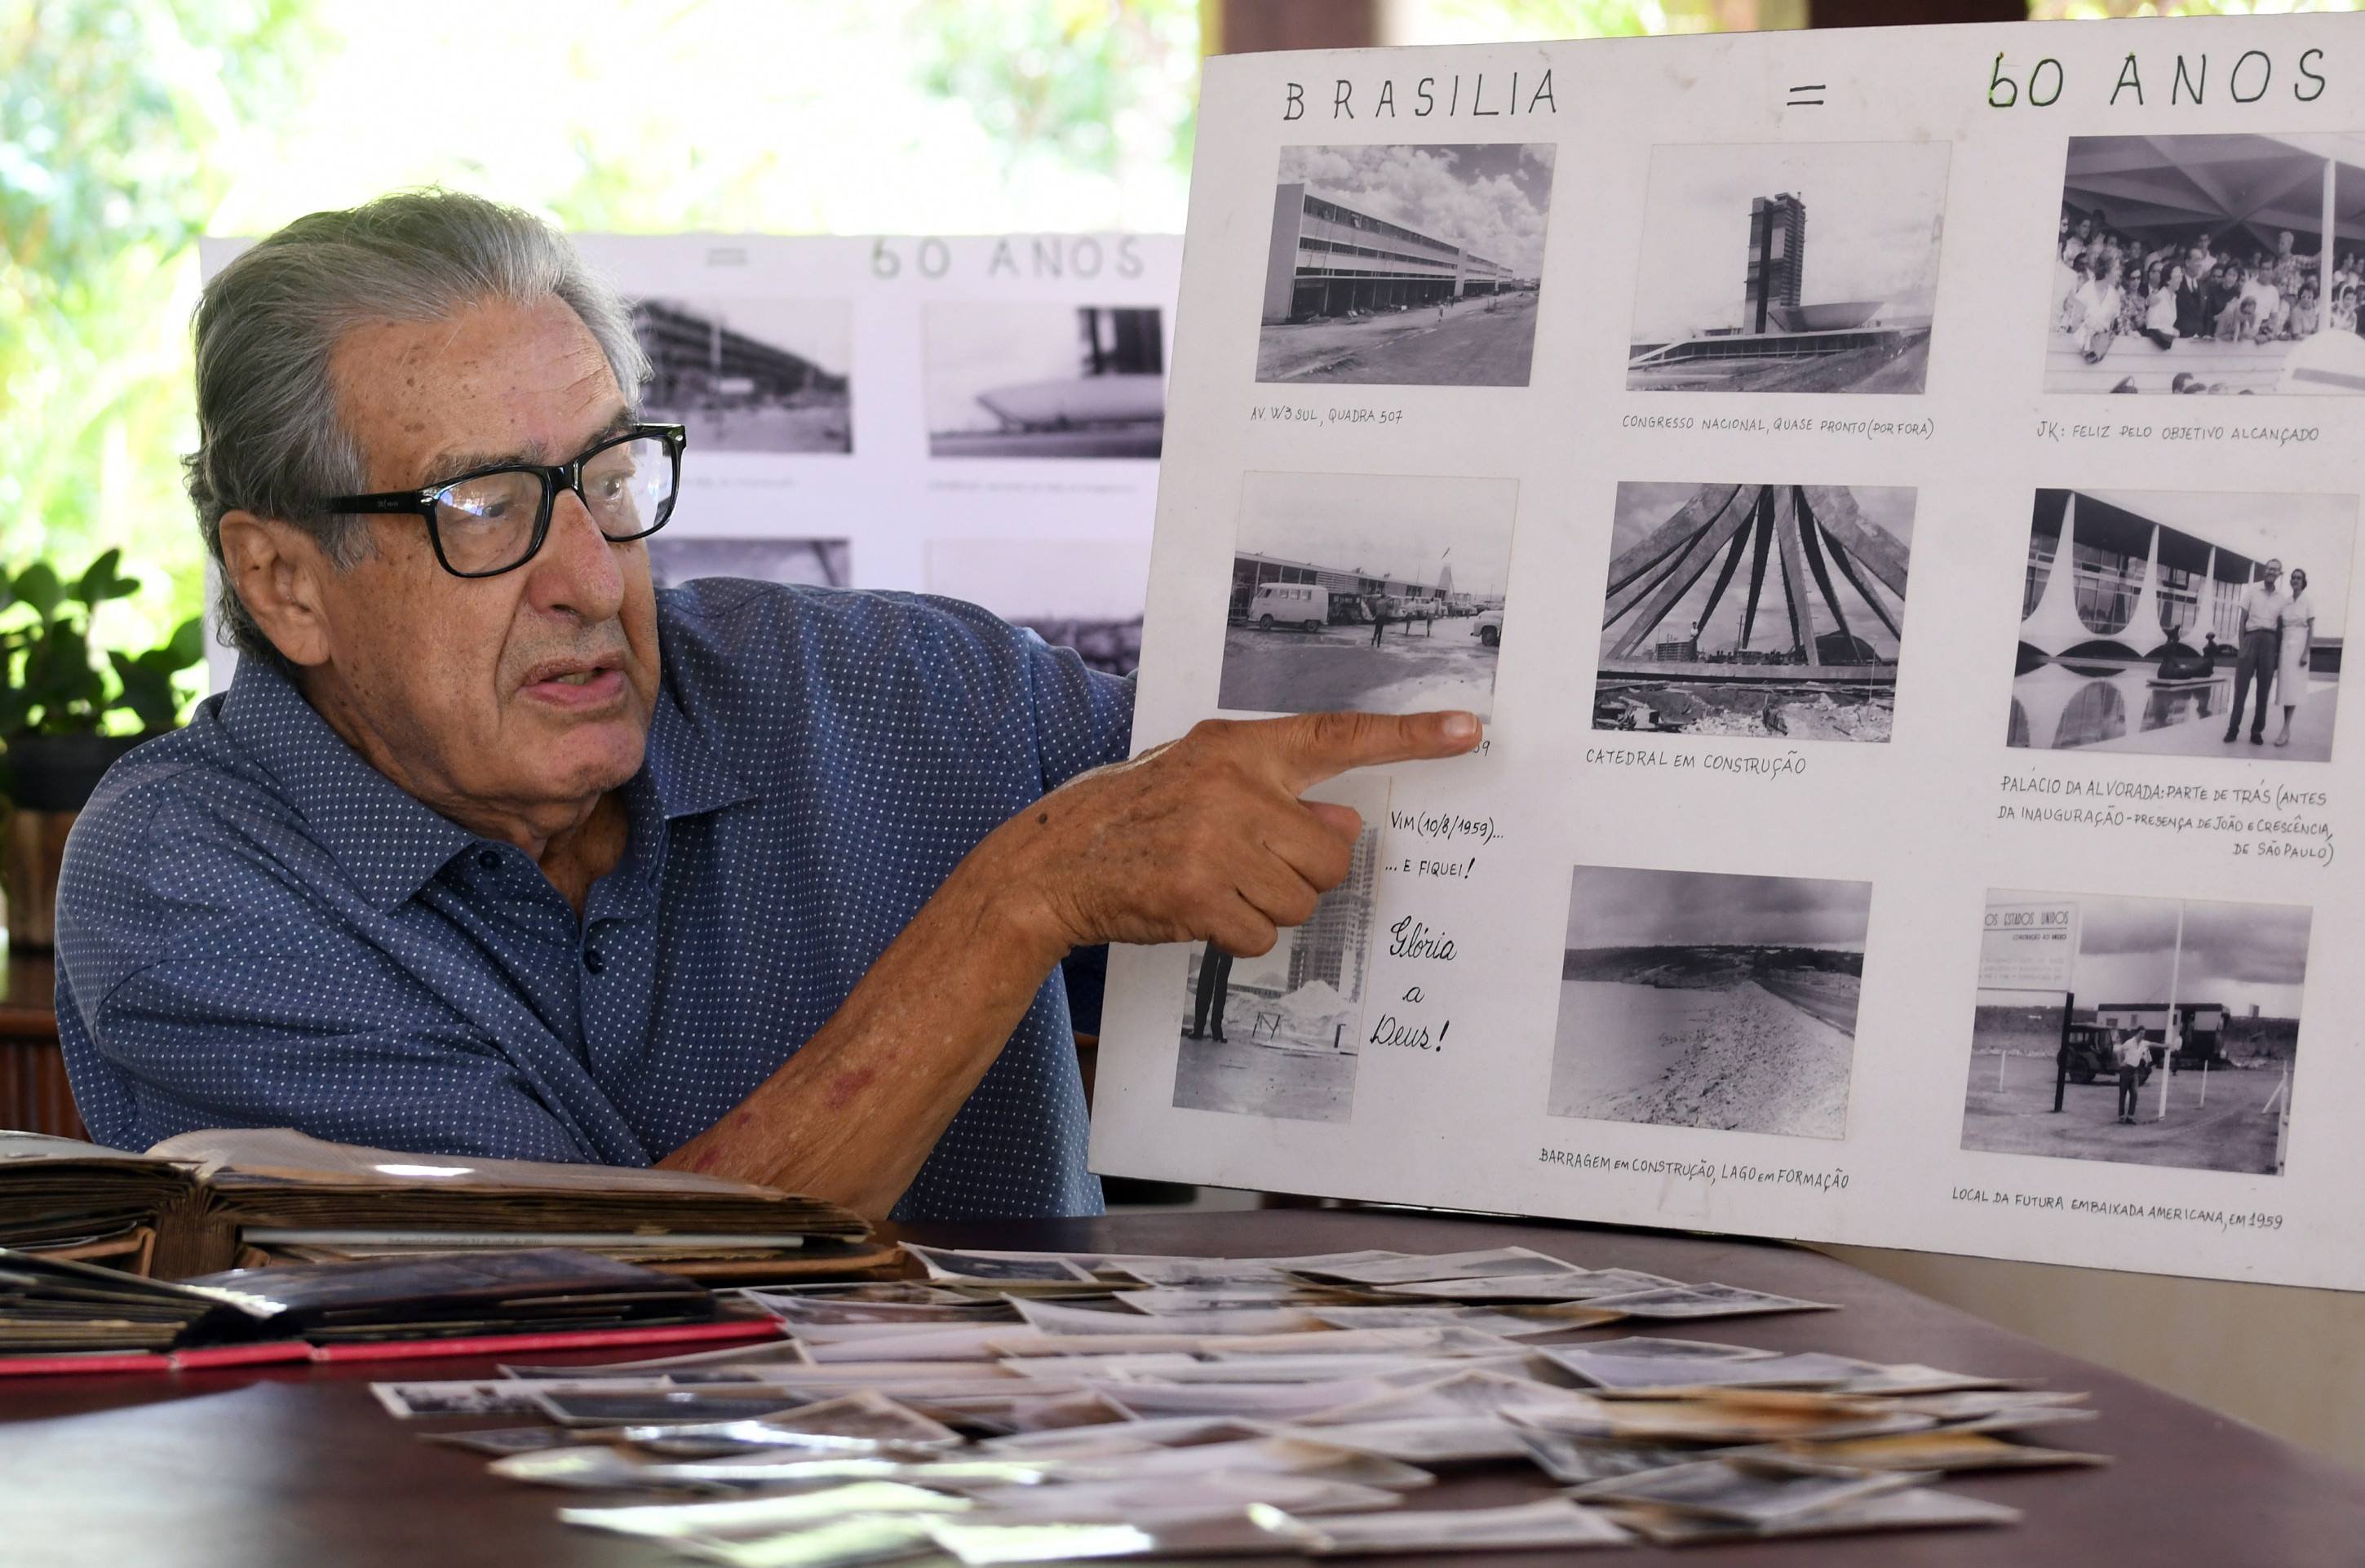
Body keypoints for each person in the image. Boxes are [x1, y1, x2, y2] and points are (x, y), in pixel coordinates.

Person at [51, 191, 1484, 1223]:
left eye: (607, 479)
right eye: (484, 507)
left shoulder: (916, 702)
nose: (586, 572)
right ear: (284, 578)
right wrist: (1011, 903)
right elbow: (592, 1295)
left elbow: (1355, 851)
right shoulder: (190, 878)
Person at [2224, 557, 2291, 746]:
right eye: (2269, 568)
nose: (2271, 572)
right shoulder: (2251, 592)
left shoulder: (2282, 600)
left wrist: (2277, 653)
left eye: (2275, 570)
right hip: (2251, 639)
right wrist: (2241, 645)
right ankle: (2233, 729)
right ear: (2265, 571)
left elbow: (2280, 628)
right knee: (2241, 689)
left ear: (2279, 574)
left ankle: (2256, 731)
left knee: (2264, 690)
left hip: (2269, 642)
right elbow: (2242, 620)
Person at [2275, 567, 2316, 748]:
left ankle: (2285, 728)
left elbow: (2311, 630)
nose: (2295, 580)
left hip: (2300, 647)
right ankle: (2286, 727)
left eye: (2298, 578)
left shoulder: (2308, 602)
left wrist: (2306, 652)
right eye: (2293, 578)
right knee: (2286, 689)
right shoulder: (2286, 602)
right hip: (2285, 646)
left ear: (2303, 582)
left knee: (2294, 689)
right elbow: (2278, 626)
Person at [1186, 941, 1234, 1043]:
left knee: (1219, 982)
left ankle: (1212, 1029)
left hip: (1230, 937)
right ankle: (1201, 1028)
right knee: (1207, 980)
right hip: (1218, 934)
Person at [2115, 1027, 2148, 1125]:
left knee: (2135, 1093)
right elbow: (2119, 1051)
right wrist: (2120, 1063)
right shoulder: (2129, 1043)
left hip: (2134, 1071)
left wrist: (2165, 1046)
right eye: (2141, 1033)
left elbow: (2147, 1049)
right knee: (2123, 1093)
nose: (2142, 1035)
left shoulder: (2142, 1044)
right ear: (2137, 1033)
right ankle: (2121, 1116)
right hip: (2126, 1070)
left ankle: (2130, 1117)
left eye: (2144, 1034)